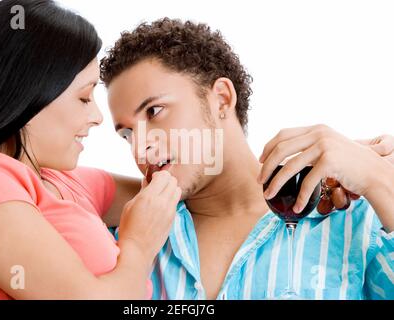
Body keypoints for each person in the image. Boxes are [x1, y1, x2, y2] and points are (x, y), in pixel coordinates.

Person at [100, 18, 394, 300]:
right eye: (127, 133)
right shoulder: (123, 241)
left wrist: (381, 180)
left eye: (154, 112)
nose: (140, 149)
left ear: (222, 99)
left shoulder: (352, 220)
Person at [0, 0, 181, 299]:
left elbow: (168, 194)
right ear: (27, 91)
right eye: (84, 97)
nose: (97, 116)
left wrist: (256, 172)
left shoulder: (63, 180)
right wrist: (138, 246)